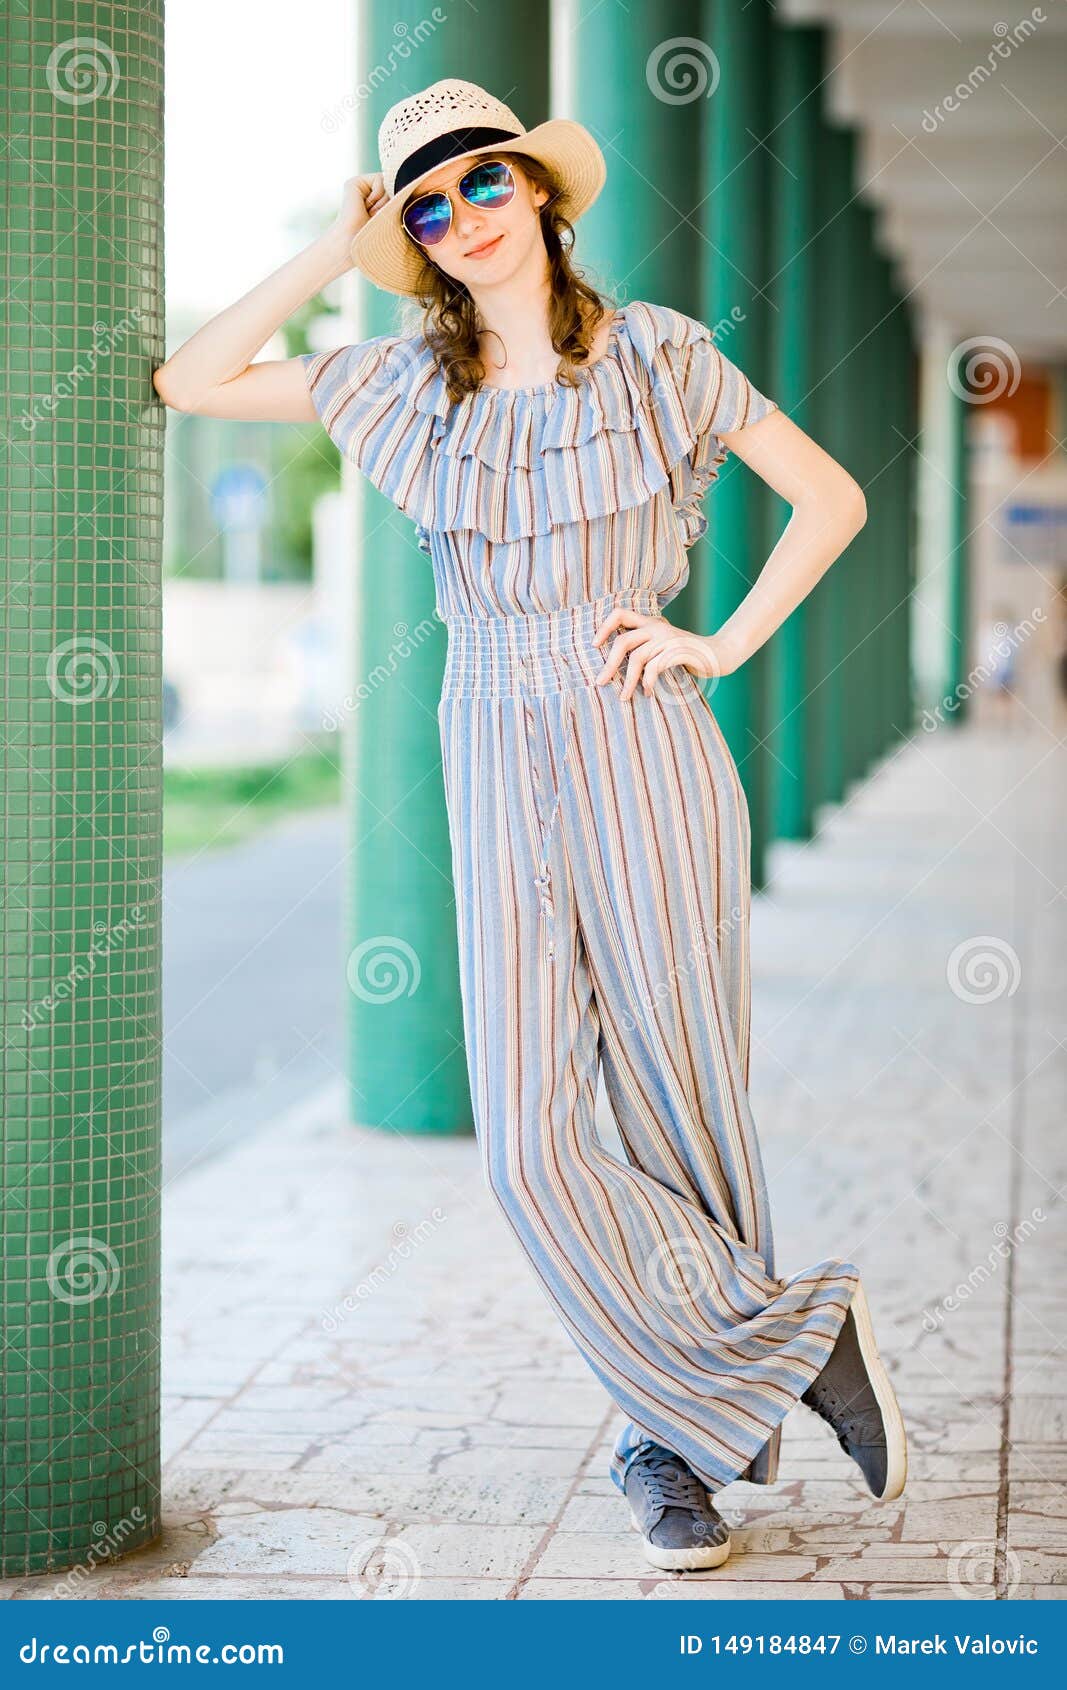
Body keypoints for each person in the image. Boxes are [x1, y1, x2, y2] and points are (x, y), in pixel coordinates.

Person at [153, 77, 907, 1576]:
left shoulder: (662, 360)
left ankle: (669, 1440)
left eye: (482, 184)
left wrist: (722, 644)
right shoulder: (397, 386)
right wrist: (336, 243)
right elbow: (191, 379)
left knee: (684, 1097)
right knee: (528, 1140)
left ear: (542, 194)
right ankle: (797, 1334)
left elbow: (831, 499)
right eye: (426, 207)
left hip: (641, 729)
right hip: (491, 736)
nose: (461, 218)